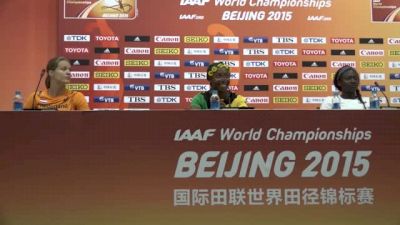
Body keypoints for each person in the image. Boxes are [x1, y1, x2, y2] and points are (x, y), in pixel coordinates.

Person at [23, 56, 90, 111]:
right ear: (51, 73)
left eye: (70, 70)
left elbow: (87, 124)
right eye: (63, 69)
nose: (68, 72)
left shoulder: (76, 97)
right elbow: (24, 122)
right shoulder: (35, 97)